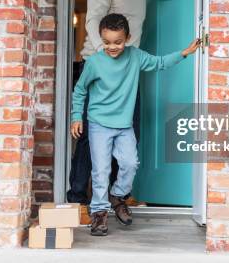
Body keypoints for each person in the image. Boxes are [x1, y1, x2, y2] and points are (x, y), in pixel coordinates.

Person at [70, 13, 200, 236]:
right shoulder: (94, 63)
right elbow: (80, 90)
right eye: (107, 42)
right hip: (98, 124)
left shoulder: (135, 56)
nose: (112, 47)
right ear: (101, 39)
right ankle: (99, 214)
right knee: (100, 170)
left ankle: (118, 196)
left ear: (127, 38)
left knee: (130, 163)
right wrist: (76, 117)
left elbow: (159, 63)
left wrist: (184, 53)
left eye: (118, 42)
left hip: (123, 125)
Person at [67, 0, 152, 216]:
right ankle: (77, 199)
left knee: (127, 135)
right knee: (91, 139)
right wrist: (104, 58)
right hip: (99, 69)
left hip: (127, 73)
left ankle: (119, 196)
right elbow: (93, 21)